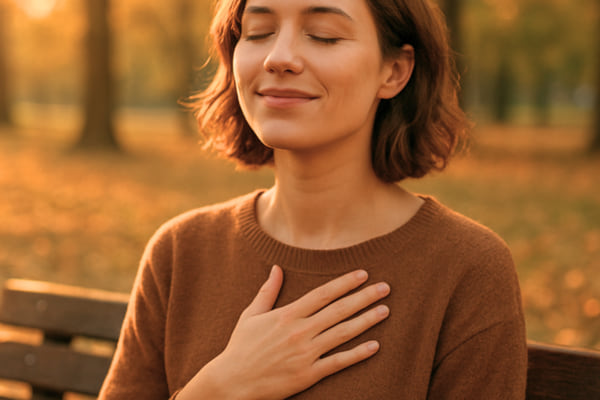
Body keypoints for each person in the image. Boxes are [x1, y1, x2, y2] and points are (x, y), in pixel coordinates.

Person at [99, 0, 527, 398]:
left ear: (394, 71)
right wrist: (220, 387)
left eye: (323, 35)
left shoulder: (467, 268)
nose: (278, 57)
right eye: (259, 31)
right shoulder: (180, 251)